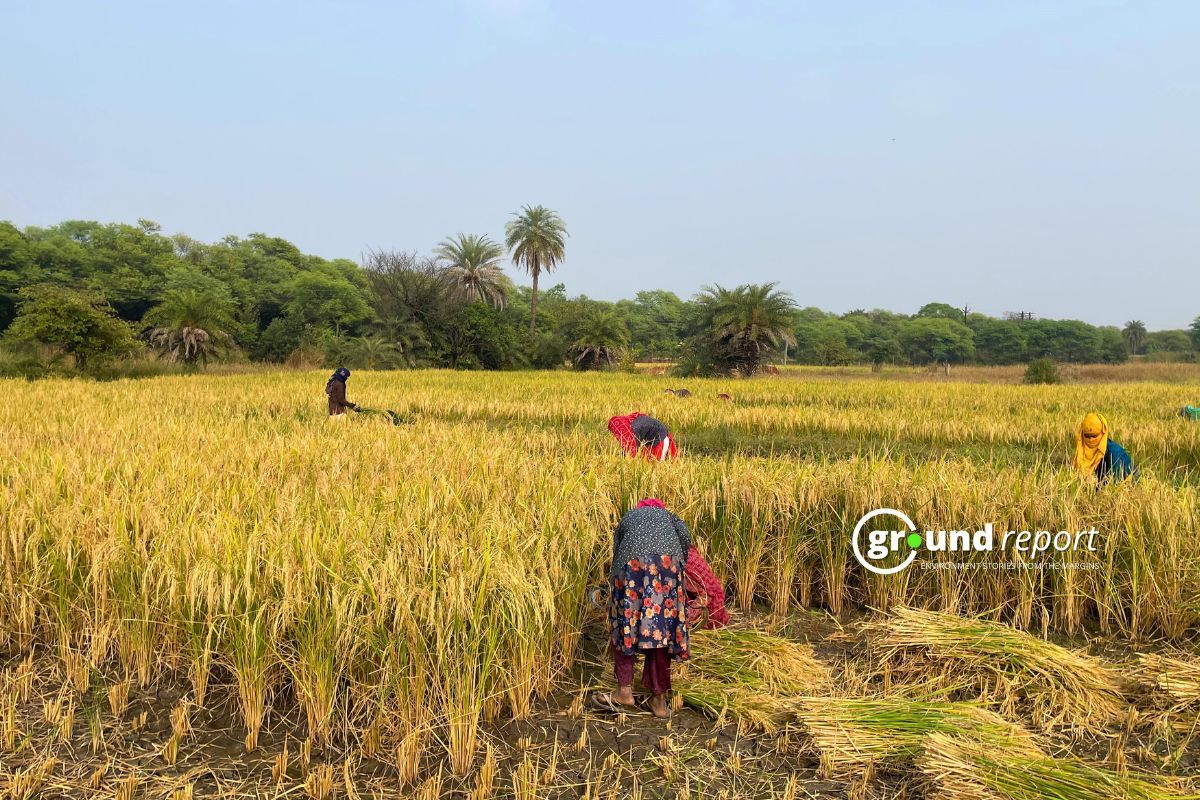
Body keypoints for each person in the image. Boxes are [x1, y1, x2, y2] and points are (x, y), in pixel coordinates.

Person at [593, 498, 690, 719]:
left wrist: (617, 585)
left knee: (624, 622)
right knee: (662, 629)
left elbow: (617, 549)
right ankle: (659, 701)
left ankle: (624, 692)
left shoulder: (629, 516)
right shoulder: (669, 516)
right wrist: (678, 561)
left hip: (632, 567)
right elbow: (685, 536)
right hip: (668, 566)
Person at [1073, 412, 1136, 484]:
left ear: (1102, 434)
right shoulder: (1081, 449)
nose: (1091, 439)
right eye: (1087, 436)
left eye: (1094, 436)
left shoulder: (1114, 453)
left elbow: (1115, 482)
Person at [684, 544, 729, 629]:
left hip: (710, 610)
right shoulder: (690, 554)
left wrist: (685, 619)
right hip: (710, 601)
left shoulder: (685, 563)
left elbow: (705, 595)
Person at [607, 412, 678, 461]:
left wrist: (621, 460)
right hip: (656, 439)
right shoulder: (631, 421)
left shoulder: (630, 429)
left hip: (660, 441)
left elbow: (631, 452)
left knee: (654, 466)